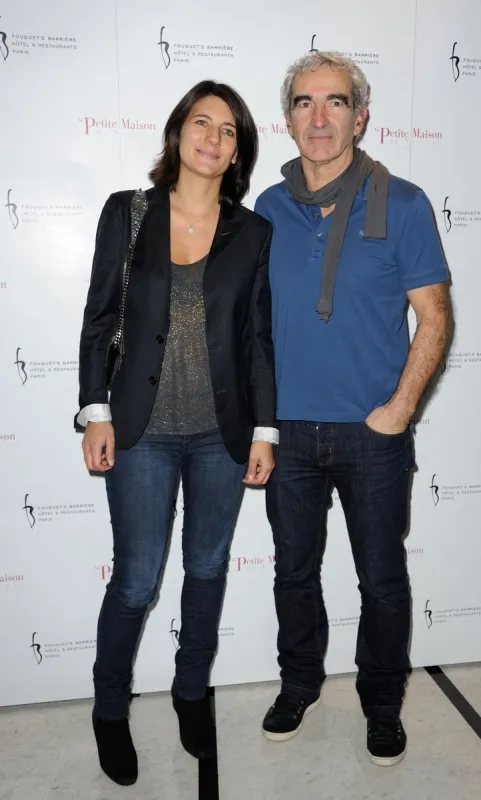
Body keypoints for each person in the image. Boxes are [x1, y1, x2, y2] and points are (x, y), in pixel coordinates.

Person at [76, 80, 277, 786]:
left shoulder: (252, 233)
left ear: (237, 152)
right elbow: (99, 319)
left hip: (220, 434)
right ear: (178, 132)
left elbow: (257, 339)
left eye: (228, 131)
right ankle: (108, 708)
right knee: (134, 582)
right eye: (202, 122)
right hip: (141, 433)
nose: (213, 138)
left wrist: (264, 430)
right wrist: (94, 411)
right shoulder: (128, 214)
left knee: (207, 568)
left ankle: (191, 693)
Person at [255, 52, 450, 766]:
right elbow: (253, 327)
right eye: (304, 103)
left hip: (374, 434)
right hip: (288, 434)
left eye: (335, 102)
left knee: (381, 578)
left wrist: (398, 410)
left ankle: (380, 701)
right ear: (288, 119)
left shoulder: (403, 203)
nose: (319, 117)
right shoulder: (267, 208)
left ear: (359, 116)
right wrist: (260, 422)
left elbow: (434, 316)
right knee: (292, 574)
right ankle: (299, 683)